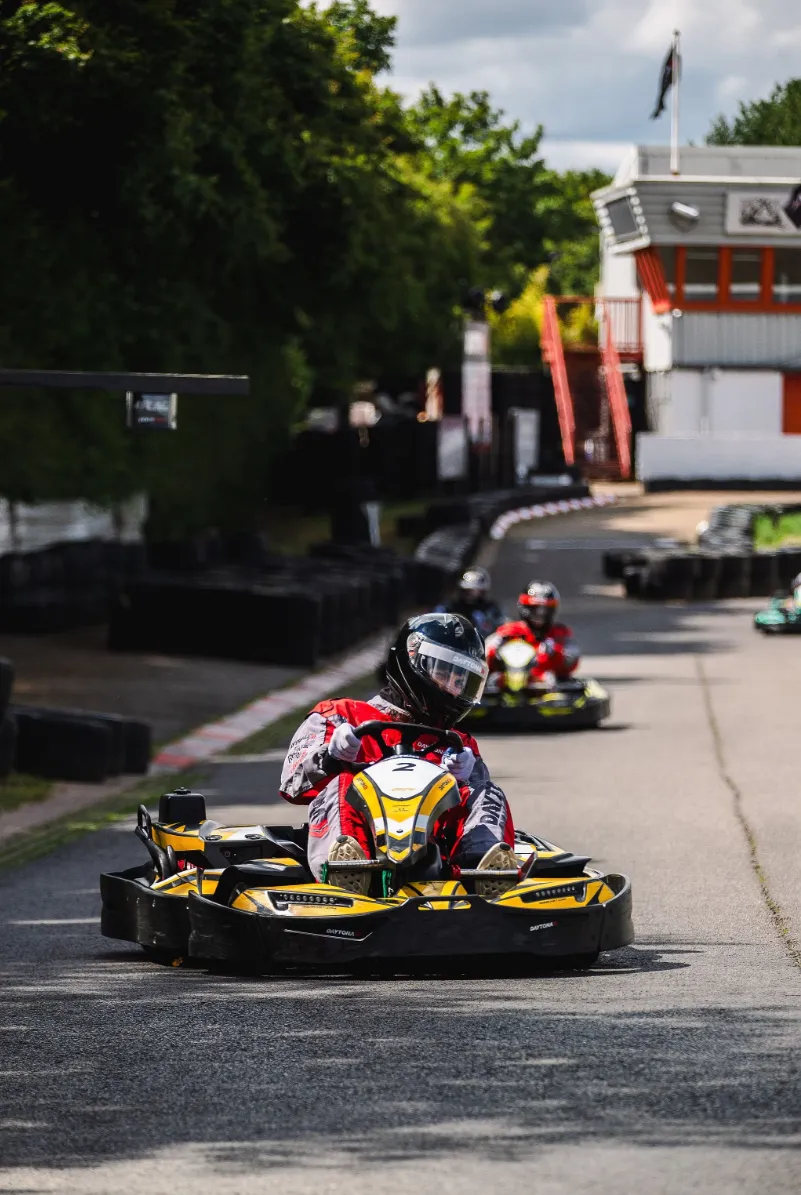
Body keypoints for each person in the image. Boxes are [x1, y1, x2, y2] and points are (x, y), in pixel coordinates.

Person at [279, 612, 516, 896]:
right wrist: (330, 757)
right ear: (411, 662)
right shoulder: (340, 715)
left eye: (461, 679)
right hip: (366, 844)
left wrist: (467, 779)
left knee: (486, 792)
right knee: (342, 783)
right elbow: (291, 785)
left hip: (438, 854)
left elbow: (474, 804)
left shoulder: (458, 742)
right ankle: (348, 871)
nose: (452, 688)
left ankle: (483, 871)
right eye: (443, 673)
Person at [486, 581, 580, 684]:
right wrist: (495, 650)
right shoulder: (508, 631)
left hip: (547, 691)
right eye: (535, 608)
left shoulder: (561, 633)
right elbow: (485, 657)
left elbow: (572, 662)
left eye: (545, 610)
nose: (540, 614)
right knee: (492, 680)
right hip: (508, 685)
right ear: (525, 607)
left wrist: (555, 652)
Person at [437, 567, 504, 638]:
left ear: (483, 591)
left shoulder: (492, 610)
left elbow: (501, 628)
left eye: (474, 590)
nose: (470, 594)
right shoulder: (448, 608)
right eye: (467, 590)